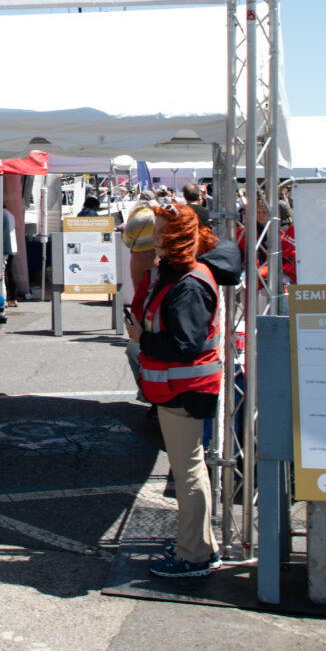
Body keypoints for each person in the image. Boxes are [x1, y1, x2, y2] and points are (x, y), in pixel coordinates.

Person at [125, 202, 241, 578]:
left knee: (189, 471)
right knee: (190, 468)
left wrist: (144, 339)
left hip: (185, 388)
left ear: (175, 238)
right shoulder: (180, 274)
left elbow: (186, 345)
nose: (153, 239)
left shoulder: (189, 282)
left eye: (159, 232)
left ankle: (195, 554)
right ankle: (199, 548)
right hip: (181, 387)